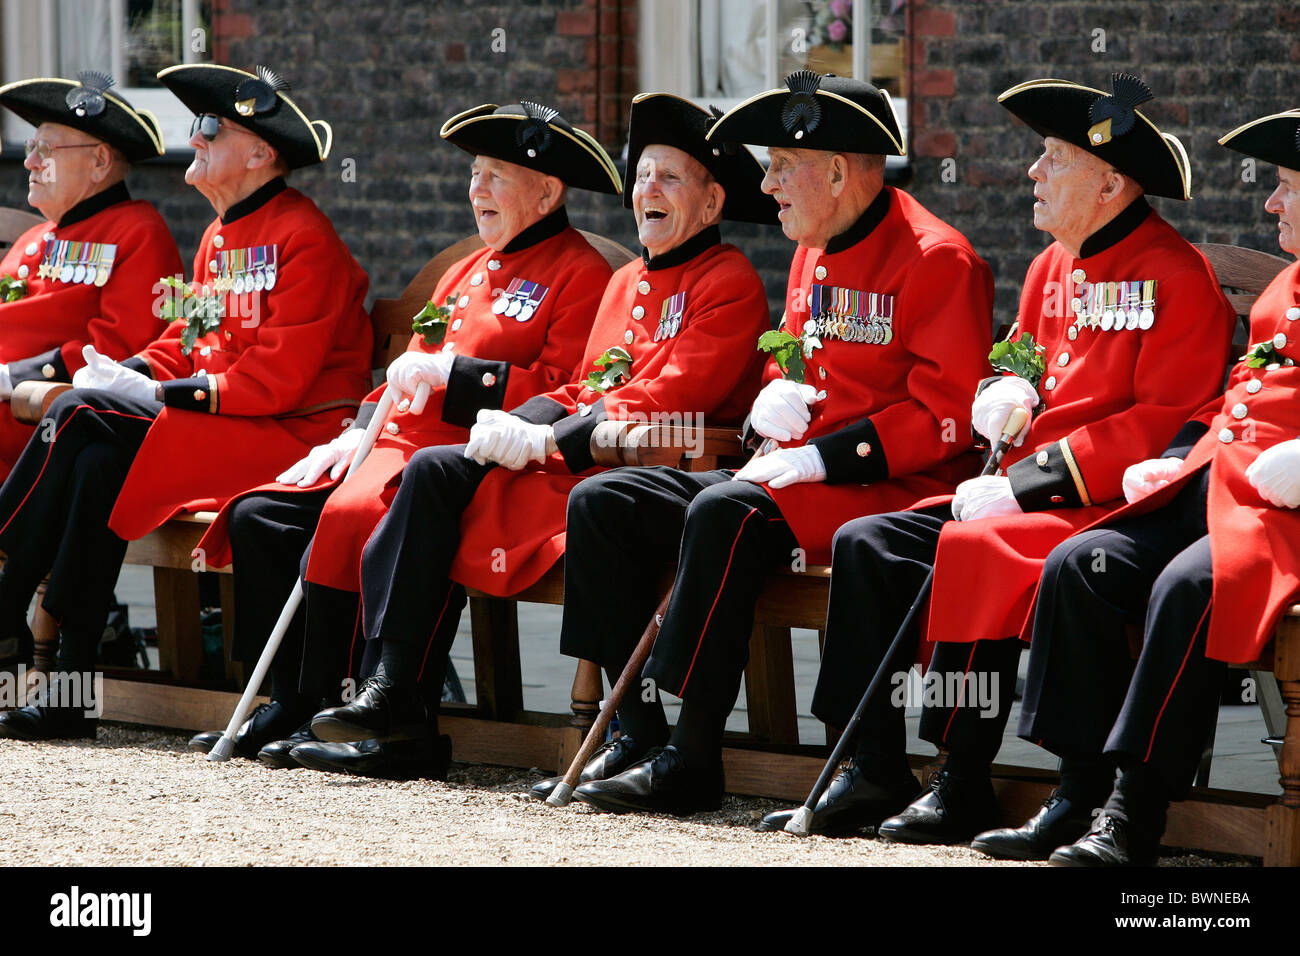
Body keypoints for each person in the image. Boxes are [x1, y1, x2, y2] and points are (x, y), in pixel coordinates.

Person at [763, 73, 1235, 840]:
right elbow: (1022, 358)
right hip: (1016, 488)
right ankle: (871, 759)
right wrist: (1005, 388)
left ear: (1112, 180)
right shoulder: (1053, 265)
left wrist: (1027, 483)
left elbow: (1161, 424)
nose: (1032, 172)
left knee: (973, 544)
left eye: (1054, 158)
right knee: (871, 542)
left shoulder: (1177, 276)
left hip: (1097, 502)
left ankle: (966, 774)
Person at [289, 91, 778, 780]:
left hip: (623, 468)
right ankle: (395, 691)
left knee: (568, 506)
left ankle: (633, 729)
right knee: (432, 469)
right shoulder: (628, 280)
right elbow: (585, 383)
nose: (648, 191)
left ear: (711, 204)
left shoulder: (728, 280)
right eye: (641, 176)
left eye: (669, 178)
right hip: (576, 456)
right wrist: (526, 419)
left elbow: (675, 395)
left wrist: (553, 439)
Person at [560, 71, 995, 816]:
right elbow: (793, 351)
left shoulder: (935, 258)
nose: (766, 186)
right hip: (787, 476)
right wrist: (772, 395)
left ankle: (693, 754)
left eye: (780, 167)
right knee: (605, 501)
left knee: (726, 514)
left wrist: (823, 455)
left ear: (836, 170)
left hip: (880, 485)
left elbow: (946, 415)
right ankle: (635, 730)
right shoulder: (812, 244)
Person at [185, 100, 621, 762]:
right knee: (262, 515)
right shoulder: (464, 272)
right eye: (474, 174)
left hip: (473, 456)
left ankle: (377, 705)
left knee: (359, 509)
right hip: (393, 445)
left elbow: (567, 387)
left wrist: (462, 376)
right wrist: (346, 436)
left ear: (548, 192)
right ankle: (295, 699)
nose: (477, 189)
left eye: (496, 175)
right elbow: (400, 375)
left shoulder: (581, 273)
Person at [0, 63, 371, 740]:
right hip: (227, 424)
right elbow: (188, 336)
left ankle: (5, 604)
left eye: (209, 128)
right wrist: (132, 368)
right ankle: (70, 683)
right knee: (92, 452)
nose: (192, 140)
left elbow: (277, 381)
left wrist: (155, 391)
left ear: (260, 153)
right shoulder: (220, 233)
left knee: (79, 418)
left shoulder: (303, 236)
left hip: (288, 434)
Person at [972, 108, 1300, 865]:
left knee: (1184, 591)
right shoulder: (1286, 285)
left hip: (1277, 512)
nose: (1272, 203)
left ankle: (1131, 815)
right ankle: (1074, 791)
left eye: (1286, 188)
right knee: (1081, 564)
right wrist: (1183, 449)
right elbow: (1236, 399)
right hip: (1220, 483)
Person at [0, 72, 181, 486]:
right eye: (30, 146)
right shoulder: (37, 236)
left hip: (37, 415)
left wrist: (11, 377)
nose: (30, 161)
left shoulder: (138, 231)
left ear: (99, 161)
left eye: (46, 149)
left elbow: (116, 352)